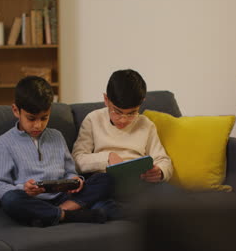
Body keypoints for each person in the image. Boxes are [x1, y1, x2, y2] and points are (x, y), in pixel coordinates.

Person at [0, 76, 112, 227]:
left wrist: (76, 180)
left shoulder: (56, 136)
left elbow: (70, 171)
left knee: (103, 179)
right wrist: (24, 189)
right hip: (30, 200)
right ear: (16, 110)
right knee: (10, 201)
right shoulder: (4, 142)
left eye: (44, 118)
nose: (38, 125)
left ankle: (52, 214)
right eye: (31, 118)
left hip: (63, 196)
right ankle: (68, 215)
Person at [72, 69, 173, 218]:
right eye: (117, 112)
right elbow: (77, 160)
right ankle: (139, 212)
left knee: (174, 195)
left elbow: (163, 160)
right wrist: (107, 158)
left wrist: (160, 171)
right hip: (105, 185)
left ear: (141, 103)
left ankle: (141, 211)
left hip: (138, 185)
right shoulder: (93, 120)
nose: (124, 120)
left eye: (132, 113)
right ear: (106, 100)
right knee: (101, 205)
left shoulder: (146, 125)